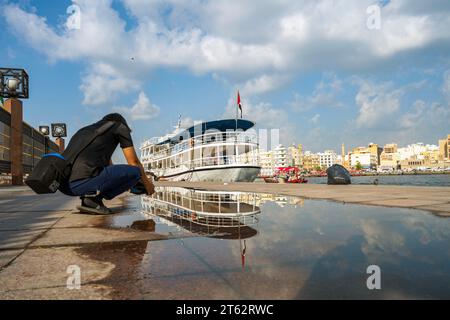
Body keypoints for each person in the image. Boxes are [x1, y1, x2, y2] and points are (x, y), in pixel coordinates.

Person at [60, 113, 155, 215]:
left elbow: (109, 168)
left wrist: (125, 182)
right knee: (136, 172)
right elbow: (134, 163)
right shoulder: (120, 126)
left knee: (101, 172)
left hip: (64, 186)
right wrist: (147, 184)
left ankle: (89, 199)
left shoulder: (85, 131)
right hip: (80, 183)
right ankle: (94, 200)